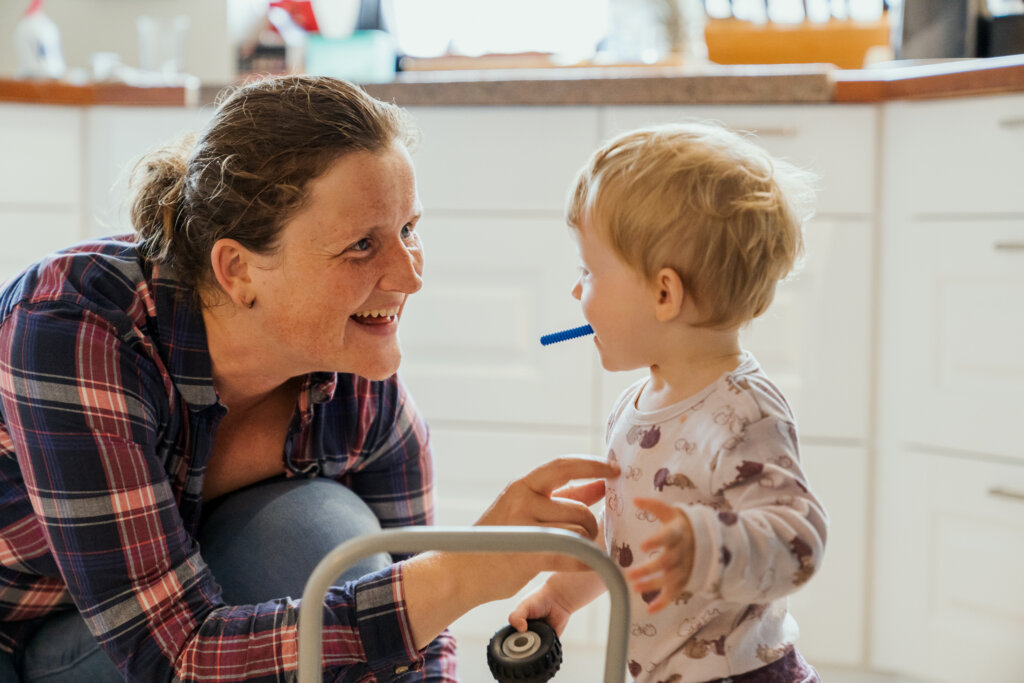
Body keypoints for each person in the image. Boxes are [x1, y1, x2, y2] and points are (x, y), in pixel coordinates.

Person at [0, 75, 617, 682]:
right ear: (237, 269)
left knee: (320, 532)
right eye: (360, 245)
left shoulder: (360, 388)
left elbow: (418, 637)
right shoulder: (76, 326)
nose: (410, 276)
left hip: (177, 623)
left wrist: (444, 589)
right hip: (32, 637)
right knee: (324, 554)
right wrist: (462, 572)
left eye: (408, 230)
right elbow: (176, 657)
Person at [508, 122, 829, 682]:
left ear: (664, 293)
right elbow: (630, 541)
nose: (576, 293)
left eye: (589, 272)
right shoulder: (637, 407)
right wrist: (563, 594)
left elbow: (798, 539)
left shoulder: (743, 414)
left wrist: (706, 544)